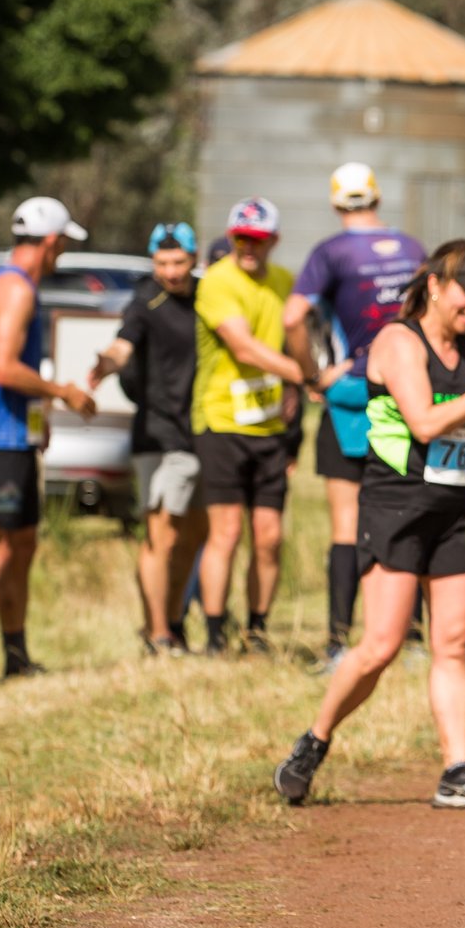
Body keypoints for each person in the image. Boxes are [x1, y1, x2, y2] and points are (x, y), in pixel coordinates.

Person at [275, 243, 465, 810]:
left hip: (453, 509)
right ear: (435, 285)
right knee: (381, 645)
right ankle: (313, 743)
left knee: (453, 644)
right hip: (396, 507)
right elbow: (425, 421)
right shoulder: (397, 341)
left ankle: (456, 771)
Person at [285, 163, 427, 663]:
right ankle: (413, 640)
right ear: (376, 199)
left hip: (347, 400)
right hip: (405, 397)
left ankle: (338, 644)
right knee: (410, 513)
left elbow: (292, 317)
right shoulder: (412, 249)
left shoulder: (331, 253)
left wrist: (310, 375)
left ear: (334, 203)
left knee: (346, 525)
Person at [0, 199, 97, 682]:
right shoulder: (16, 290)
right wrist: (63, 392)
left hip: (13, 438)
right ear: (51, 241)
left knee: (22, 544)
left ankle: (16, 656)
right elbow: (5, 368)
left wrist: (38, 418)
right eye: (64, 245)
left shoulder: (11, 285)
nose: (62, 255)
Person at [86, 223, 207, 654]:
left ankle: (174, 622)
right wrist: (107, 361)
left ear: (194, 260)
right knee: (162, 534)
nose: (170, 272)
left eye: (178, 263)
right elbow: (124, 345)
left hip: (202, 433)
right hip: (158, 435)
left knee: (194, 535)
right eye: (161, 264)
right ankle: (157, 633)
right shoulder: (145, 301)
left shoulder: (207, 299)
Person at [193, 197, 303, 656]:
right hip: (221, 422)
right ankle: (216, 634)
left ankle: (256, 631)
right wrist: (306, 376)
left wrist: (297, 390)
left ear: (274, 241)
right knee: (225, 534)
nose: (248, 247)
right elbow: (245, 349)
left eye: (257, 240)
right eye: (241, 238)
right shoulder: (217, 282)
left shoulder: (284, 283)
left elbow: (296, 339)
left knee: (269, 536)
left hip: (269, 428)